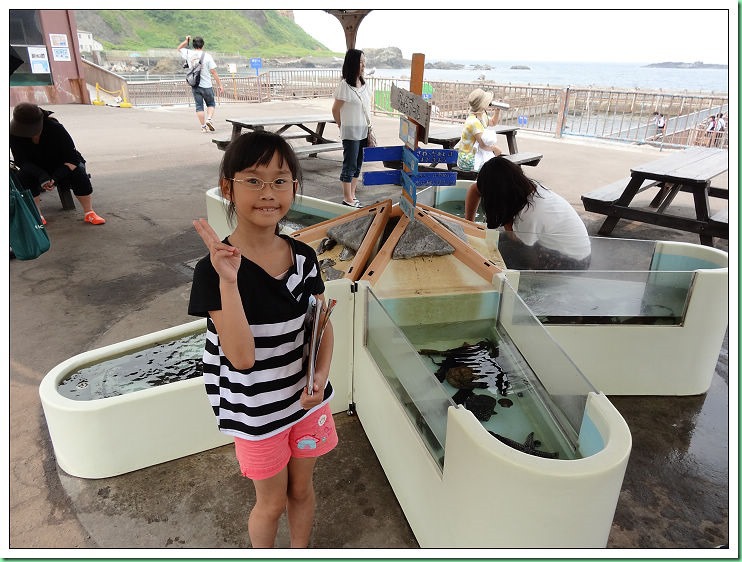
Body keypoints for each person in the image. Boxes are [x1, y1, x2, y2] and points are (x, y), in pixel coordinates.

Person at [188, 131, 337, 548]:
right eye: (253, 180)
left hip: (306, 404)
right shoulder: (212, 271)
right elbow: (241, 358)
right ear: (228, 188)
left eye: (280, 180)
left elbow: (322, 325)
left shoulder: (304, 257)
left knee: (302, 491)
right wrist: (230, 283)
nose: (268, 192)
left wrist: (320, 376)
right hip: (257, 413)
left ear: (294, 187)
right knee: (270, 504)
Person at [464, 157, 591, 270]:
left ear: (499, 196)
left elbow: (521, 245)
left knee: (498, 257)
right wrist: (468, 225)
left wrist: (506, 219)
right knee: (492, 242)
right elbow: (475, 189)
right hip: (552, 245)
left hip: (572, 262)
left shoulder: (531, 213)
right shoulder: (523, 187)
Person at [10, 102, 105, 225]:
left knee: (79, 172)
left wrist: (55, 177)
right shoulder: (14, 133)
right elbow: (21, 161)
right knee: (22, 176)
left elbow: (72, 159)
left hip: (62, 165)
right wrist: (41, 175)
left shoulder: (55, 128)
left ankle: (89, 212)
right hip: (35, 167)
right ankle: (37, 215)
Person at [331, 48, 370, 208]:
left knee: (358, 164)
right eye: (360, 62)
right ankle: (347, 198)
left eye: (364, 62)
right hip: (350, 132)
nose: (363, 66)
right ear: (353, 63)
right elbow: (335, 110)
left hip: (363, 130)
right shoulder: (344, 85)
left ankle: (352, 195)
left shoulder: (364, 84)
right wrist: (341, 125)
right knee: (350, 165)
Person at [176, 35, 224, 133]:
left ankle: (203, 127)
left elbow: (179, 48)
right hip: (206, 85)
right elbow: (213, 72)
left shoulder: (189, 53)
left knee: (199, 106)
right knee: (211, 104)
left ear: (193, 45)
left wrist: (186, 41)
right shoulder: (207, 56)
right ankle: (209, 119)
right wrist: (220, 85)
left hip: (195, 85)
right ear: (203, 45)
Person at [456, 88, 502, 171]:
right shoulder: (473, 122)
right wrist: (495, 149)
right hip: (467, 158)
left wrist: (497, 112)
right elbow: (483, 145)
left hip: (476, 153)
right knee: (495, 168)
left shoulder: (481, 115)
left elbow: (492, 122)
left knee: (496, 165)